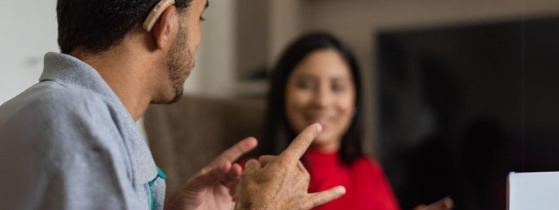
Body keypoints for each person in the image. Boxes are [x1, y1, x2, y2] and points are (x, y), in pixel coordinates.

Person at [0, 0, 344, 210]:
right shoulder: (81, 126)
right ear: (165, 23)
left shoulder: (57, 111)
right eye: (199, 18)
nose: (197, 39)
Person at [238, 33, 453, 210]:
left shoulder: (368, 170)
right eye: (306, 85)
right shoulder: (249, 175)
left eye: (337, 87)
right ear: (282, 95)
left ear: (354, 100)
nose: (322, 101)